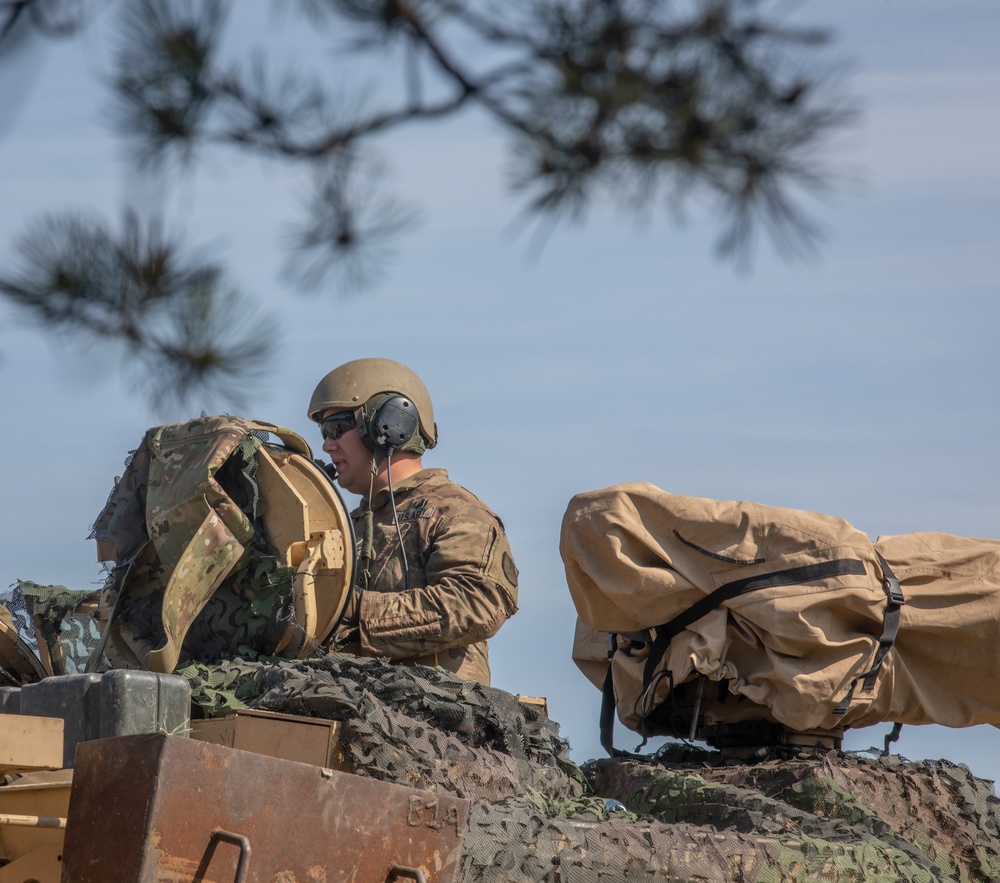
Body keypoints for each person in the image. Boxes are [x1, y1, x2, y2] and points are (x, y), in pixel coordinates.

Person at [307, 358, 519, 685]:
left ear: (389, 423)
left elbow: (475, 602)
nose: (326, 444)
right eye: (323, 431)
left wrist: (353, 610)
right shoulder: (345, 527)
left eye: (336, 427)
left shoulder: (455, 512)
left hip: (434, 724)